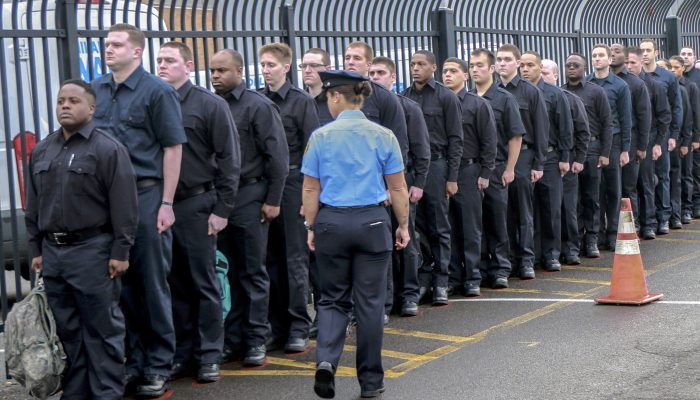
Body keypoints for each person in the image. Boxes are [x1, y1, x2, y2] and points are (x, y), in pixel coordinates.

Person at [25, 79, 138, 399]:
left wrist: (121, 250)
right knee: (68, 332)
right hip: (54, 254)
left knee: (102, 331)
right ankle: (76, 393)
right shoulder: (44, 149)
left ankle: (106, 393)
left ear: (91, 108)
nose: (65, 105)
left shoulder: (107, 149)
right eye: (61, 100)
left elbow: (125, 205)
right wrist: (35, 248)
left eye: (73, 101)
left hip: (93, 252)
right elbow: (33, 203)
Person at [92, 23, 187, 398]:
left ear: (137, 51)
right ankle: (133, 361)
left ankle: (159, 364)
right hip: (107, 201)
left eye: (116, 44)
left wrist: (166, 203)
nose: (108, 50)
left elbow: (172, 148)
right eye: (106, 44)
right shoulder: (96, 91)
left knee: (151, 284)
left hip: (146, 195)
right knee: (121, 285)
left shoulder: (157, 91)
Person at [303, 70, 410, 399]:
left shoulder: (320, 137)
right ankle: (371, 381)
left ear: (337, 97)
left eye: (328, 97)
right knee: (370, 303)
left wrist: (310, 225)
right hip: (373, 222)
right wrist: (403, 225)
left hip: (332, 222)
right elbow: (398, 187)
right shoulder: (382, 135)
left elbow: (310, 187)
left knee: (332, 299)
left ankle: (326, 361)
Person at [156, 42, 240, 382]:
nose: (162, 65)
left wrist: (222, 209)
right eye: (159, 60)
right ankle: (182, 352)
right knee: (173, 283)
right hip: (163, 204)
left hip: (196, 203)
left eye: (170, 60)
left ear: (188, 66)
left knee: (203, 281)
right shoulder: (155, 102)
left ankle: (209, 354)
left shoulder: (209, 104)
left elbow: (229, 159)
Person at [210, 49, 289, 367]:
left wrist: (273, 199)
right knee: (227, 272)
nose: (215, 75)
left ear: (239, 71)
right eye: (212, 70)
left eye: (222, 70)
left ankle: (257, 338)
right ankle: (234, 338)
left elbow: (278, 157)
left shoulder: (258, 105)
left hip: (251, 196)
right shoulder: (213, 106)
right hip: (221, 199)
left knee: (253, 271)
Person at [259, 42, 320, 353]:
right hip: (266, 185)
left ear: (285, 67)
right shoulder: (258, 100)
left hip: (295, 182)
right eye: (263, 64)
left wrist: (309, 196)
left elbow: (312, 149)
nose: (266, 70)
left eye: (271, 65)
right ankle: (276, 325)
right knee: (269, 259)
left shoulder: (300, 102)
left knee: (295, 258)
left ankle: (298, 325)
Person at [368, 56, 430, 316]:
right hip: (373, 189)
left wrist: (417, 184)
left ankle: (409, 295)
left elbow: (419, 149)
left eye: (381, 72)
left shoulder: (408, 108)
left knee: (406, 242)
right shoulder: (365, 109)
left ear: (393, 77)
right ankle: (387, 299)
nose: (375, 77)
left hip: (401, 185)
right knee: (381, 247)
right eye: (371, 73)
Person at [402, 50, 463, 304]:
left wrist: (452, 177)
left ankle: (441, 280)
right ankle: (423, 279)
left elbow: (456, 139)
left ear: (433, 68)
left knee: (439, 226)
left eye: (421, 64)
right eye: (413, 64)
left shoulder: (446, 97)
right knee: (417, 228)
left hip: (437, 166)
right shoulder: (404, 97)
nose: (416, 68)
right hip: (412, 168)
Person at [470, 48, 524, 288]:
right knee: (475, 223)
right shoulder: (467, 98)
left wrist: (510, 168)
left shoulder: (504, 99)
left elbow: (515, 136)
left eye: (480, 65)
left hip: (497, 168)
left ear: (491, 69)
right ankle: (480, 268)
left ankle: (501, 267)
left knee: (498, 220)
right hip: (472, 169)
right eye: (472, 66)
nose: (475, 70)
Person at [442, 57, 497, 295]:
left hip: (469, 170)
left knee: (471, 227)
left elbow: (489, 141)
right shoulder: (440, 103)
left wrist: (485, 173)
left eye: (453, 71)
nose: (448, 75)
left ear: (465, 76)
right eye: (445, 71)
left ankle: (473, 276)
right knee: (447, 227)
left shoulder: (477, 104)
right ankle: (454, 276)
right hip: (443, 170)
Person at [496, 44, 548, 279]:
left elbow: (540, 129)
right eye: (499, 59)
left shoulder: (530, 92)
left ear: (517, 63)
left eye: (507, 59)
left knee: (523, 211)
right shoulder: (493, 92)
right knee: (502, 213)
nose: (502, 63)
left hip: (525, 157)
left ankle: (526, 260)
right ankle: (505, 261)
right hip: (498, 158)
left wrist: (538, 164)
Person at [519, 51, 573, 271]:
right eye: (522, 65)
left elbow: (564, 126)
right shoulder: (515, 93)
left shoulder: (553, 93)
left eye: (530, 65)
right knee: (526, 210)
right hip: (524, 155)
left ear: (540, 68)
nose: (524, 69)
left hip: (550, 157)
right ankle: (531, 255)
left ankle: (551, 254)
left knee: (550, 208)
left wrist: (564, 157)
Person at [562, 53, 612, 258]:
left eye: (576, 65)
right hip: (570, 150)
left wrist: (605, 152)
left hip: (592, 150)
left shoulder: (596, 91)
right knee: (573, 201)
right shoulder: (561, 92)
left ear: (584, 68)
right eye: (568, 65)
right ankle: (575, 241)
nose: (571, 68)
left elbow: (607, 123)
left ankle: (592, 239)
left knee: (592, 197)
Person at [541, 59, 591, 265]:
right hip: (543, 160)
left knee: (568, 207)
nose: (542, 77)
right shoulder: (535, 97)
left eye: (546, 73)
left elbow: (582, 131)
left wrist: (578, 159)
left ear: (555, 76)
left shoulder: (568, 99)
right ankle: (546, 251)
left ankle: (571, 248)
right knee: (546, 209)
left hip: (566, 161)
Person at [626, 46, 672, 240]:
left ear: (641, 63)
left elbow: (664, 115)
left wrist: (657, 143)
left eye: (633, 63)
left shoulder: (653, 85)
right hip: (628, 139)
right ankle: (632, 223)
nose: (629, 67)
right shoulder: (622, 83)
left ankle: (649, 223)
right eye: (626, 63)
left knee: (646, 183)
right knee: (629, 186)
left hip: (648, 137)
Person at [640, 39, 683, 235]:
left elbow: (675, 107)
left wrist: (673, 134)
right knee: (646, 179)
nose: (645, 54)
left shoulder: (666, 77)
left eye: (648, 50)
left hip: (661, 133)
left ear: (656, 53)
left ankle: (663, 217)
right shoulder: (636, 77)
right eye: (642, 51)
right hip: (643, 135)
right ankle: (646, 217)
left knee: (663, 175)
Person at [610, 44, 651, 230]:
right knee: (610, 189)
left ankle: (629, 228)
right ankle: (611, 228)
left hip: (632, 142)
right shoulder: (597, 82)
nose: (612, 54)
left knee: (628, 187)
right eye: (610, 51)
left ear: (625, 57)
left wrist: (642, 147)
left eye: (617, 51)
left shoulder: (635, 83)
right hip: (608, 143)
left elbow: (644, 117)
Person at [668, 56, 698, 227]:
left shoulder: (688, 88)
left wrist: (691, 139)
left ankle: (686, 208)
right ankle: (675, 210)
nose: (672, 70)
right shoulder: (668, 87)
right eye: (670, 68)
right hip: (670, 138)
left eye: (676, 67)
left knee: (685, 174)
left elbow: (691, 116)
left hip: (683, 138)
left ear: (682, 69)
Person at [680, 46, 700, 218]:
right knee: (686, 170)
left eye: (689, 54)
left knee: (695, 170)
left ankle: (696, 203)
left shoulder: (697, 77)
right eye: (683, 54)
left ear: (695, 58)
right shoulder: (676, 78)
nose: (686, 57)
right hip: (682, 132)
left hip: (695, 129)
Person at [301, 48, 333, 125]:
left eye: (313, 65)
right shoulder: (298, 101)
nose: (307, 70)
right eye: (304, 66)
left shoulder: (336, 101)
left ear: (327, 69)